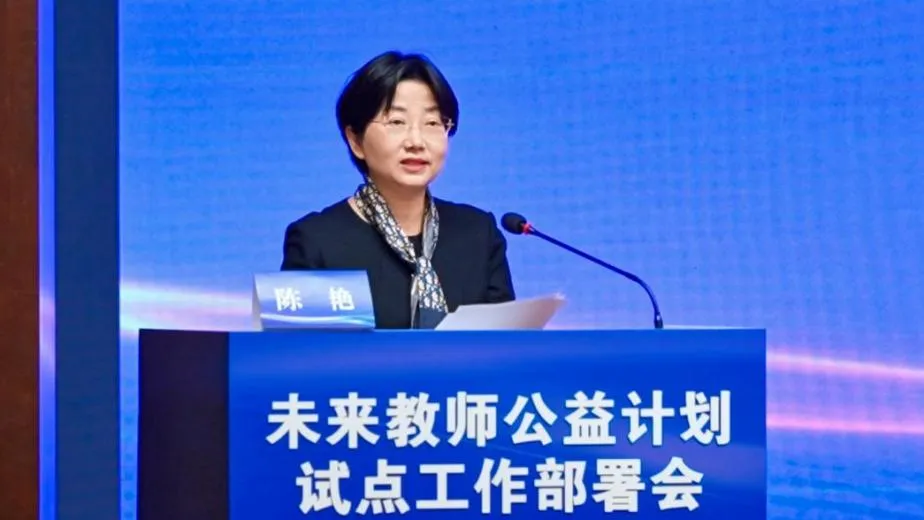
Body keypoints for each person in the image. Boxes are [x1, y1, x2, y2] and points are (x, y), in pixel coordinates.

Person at [280, 50, 515, 329]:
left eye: (432, 123)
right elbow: (301, 353)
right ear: (355, 140)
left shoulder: (478, 234)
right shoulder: (317, 241)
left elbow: (505, 345)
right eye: (396, 122)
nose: (416, 141)